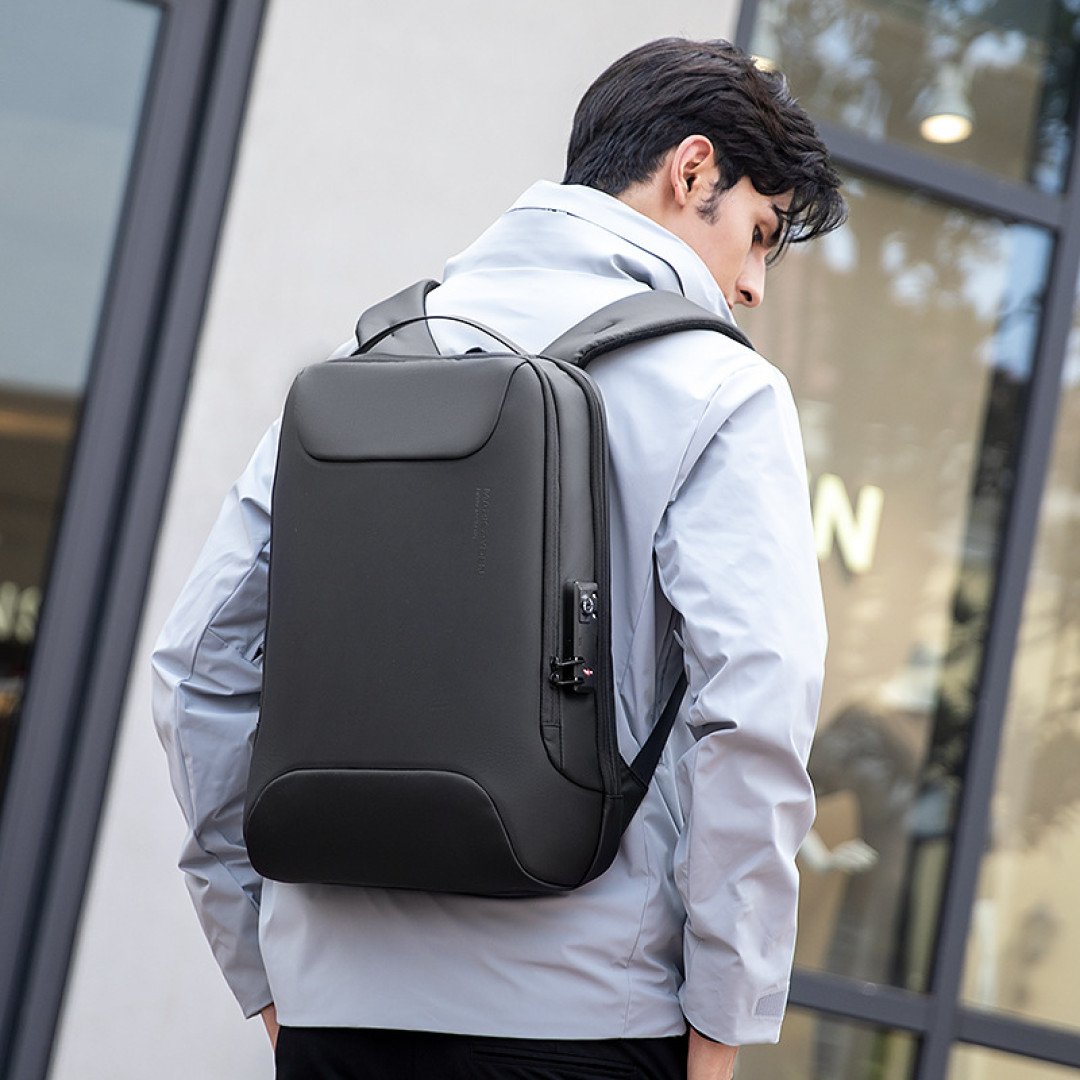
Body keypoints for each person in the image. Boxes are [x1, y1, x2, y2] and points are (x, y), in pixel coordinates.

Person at [153, 37, 846, 1080]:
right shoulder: (722, 389)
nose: (751, 285)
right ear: (691, 169)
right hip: (586, 1025)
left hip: (338, 1020)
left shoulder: (372, 360)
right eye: (758, 235)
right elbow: (756, 707)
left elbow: (196, 666)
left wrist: (264, 967)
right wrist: (722, 1022)